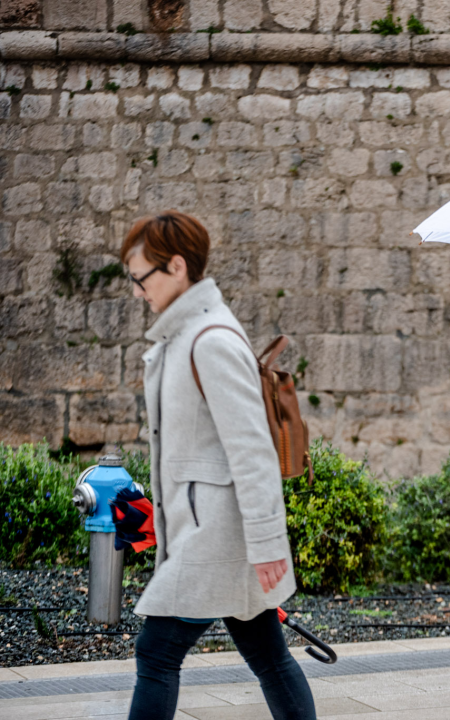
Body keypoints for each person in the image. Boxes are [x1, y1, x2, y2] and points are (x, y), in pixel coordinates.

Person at [122, 211, 315, 720]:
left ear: (177, 267)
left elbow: (252, 449)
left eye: (140, 277)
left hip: (215, 535)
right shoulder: (188, 335)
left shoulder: (211, 340)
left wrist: (268, 543)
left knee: (156, 653)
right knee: (268, 656)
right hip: (211, 530)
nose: (137, 291)